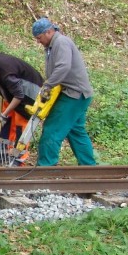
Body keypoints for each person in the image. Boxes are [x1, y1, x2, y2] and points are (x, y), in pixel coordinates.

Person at [31, 17, 97, 166]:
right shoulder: (52, 45)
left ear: (48, 32)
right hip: (76, 93)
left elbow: (63, 67)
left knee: (52, 129)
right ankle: (89, 168)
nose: (38, 41)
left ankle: (46, 168)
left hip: (74, 94)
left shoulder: (61, 42)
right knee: (76, 132)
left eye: (39, 38)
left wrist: (48, 85)